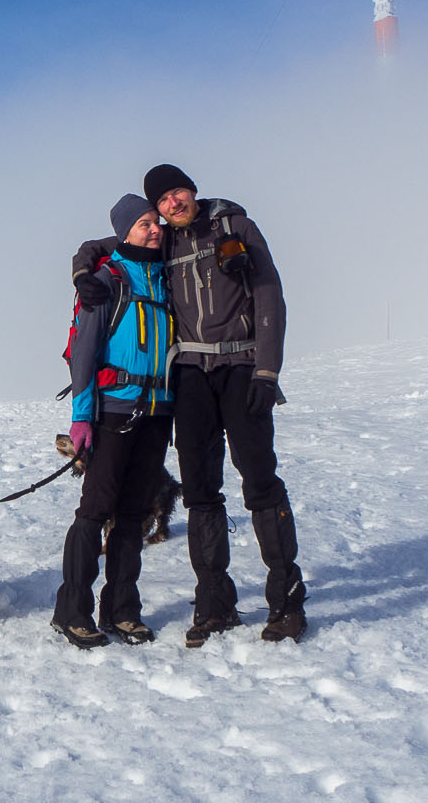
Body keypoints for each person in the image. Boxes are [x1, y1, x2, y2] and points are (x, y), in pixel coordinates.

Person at [139, 163, 305, 646]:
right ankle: (215, 602)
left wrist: (267, 370)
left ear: (192, 190)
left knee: (259, 480)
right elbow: (111, 246)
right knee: (199, 490)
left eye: (178, 192)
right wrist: (83, 263)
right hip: (191, 375)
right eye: (163, 200)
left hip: (242, 368)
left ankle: (286, 600)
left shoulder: (234, 226)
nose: (173, 203)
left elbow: (270, 295)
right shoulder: (163, 242)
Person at [51, 194, 177, 649]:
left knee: (133, 515)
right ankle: (72, 610)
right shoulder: (108, 280)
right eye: (144, 223)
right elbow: (84, 353)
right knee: (95, 513)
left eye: (156, 223)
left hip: (157, 412)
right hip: (114, 413)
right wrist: (82, 417)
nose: (154, 230)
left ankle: (122, 610)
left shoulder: (166, 280)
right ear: (125, 231)